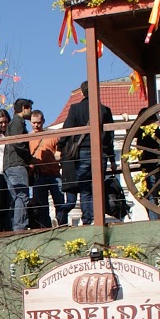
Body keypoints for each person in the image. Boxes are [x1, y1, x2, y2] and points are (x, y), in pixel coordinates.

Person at [60, 80, 113, 225]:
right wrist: (113, 159)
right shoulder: (104, 110)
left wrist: (60, 146)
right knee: (97, 187)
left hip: (82, 151)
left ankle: (87, 220)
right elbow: (110, 137)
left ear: (83, 92)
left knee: (85, 188)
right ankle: (97, 219)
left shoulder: (76, 109)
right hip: (100, 152)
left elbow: (66, 130)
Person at [27, 106, 69, 227]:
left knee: (60, 202)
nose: (36, 125)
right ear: (30, 122)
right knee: (42, 206)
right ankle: (45, 228)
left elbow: (59, 151)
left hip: (54, 173)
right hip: (39, 175)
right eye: (34, 123)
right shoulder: (28, 138)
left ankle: (62, 224)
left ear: (43, 121)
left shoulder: (52, 136)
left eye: (38, 123)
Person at [2, 103, 34, 232]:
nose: (31, 111)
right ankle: (20, 226)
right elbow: (18, 142)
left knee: (16, 197)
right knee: (22, 196)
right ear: (24, 108)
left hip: (10, 164)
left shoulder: (13, 123)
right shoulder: (17, 122)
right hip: (16, 164)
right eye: (30, 108)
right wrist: (29, 159)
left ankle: (17, 226)